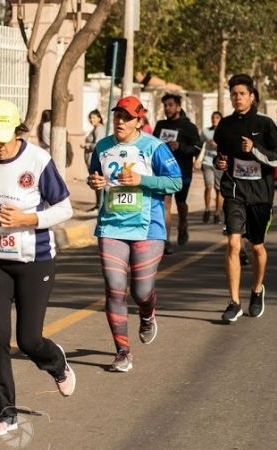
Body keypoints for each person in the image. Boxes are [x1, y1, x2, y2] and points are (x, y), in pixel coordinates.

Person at [0, 99, 75, 437]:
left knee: (28, 339)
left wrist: (30, 218)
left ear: (16, 131)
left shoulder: (37, 160)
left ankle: (56, 363)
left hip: (34, 258)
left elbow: (64, 208)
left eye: (2, 137)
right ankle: (4, 413)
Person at [87, 96, 182, 372]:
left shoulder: (154, 148)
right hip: (111, 225)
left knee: (141, 290)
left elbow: (175, 181)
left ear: (139, 120)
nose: (120, 121)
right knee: (115, 289)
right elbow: (95, 175)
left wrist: (143, 180)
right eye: (117, 116)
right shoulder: (103, 147)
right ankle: (122, 352)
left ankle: (147, 311)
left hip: (148, 227)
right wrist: (95, 181)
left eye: (126, 117)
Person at [213, 74, 277, 323]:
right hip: (234, 190)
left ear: (252, 96)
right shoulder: (225, 125)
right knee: (233, 244)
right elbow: (220, 155)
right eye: (233, 94)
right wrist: (219, 162)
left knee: (256, 246)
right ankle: (234, 302)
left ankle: (257, 290)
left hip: (261, 194)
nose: (237, 98)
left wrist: (254, 150)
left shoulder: (266, 124)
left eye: (242, 93)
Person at [152, 93, 201, 253]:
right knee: (165, 204)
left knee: (180, 203)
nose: (167, 108)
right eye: (165, 105)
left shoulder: (189, 127)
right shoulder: (160, 125)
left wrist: (180, 146)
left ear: (178, 107)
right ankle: (165, 241)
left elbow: (197, 148)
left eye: (171, 105)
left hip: (182, 171)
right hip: (162, 172)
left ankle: (183, 222)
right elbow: (152, 145)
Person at [197, 111, 224, 224]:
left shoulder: (224, 132)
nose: (214, 120)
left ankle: (217, 212)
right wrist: (196, 160)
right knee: (208, 186)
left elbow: (229, 145)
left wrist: (218, 144)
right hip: (207, 162)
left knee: (219, 189)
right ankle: (207, 209)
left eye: (217, 118)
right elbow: (198, 145)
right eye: (213, 118)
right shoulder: (205, 131)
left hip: (219, 163)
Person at [81, 109, 106, 212]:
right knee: (95, 182)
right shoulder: (94, 128)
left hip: (95, 160)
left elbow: (98, 144)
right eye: (90, 118)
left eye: (94, 117)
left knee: (97, 181)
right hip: (90, 159)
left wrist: (86, 145)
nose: (92, 120)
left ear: (99, 118)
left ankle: (100, 205)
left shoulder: (99, 129)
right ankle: (98, 204)